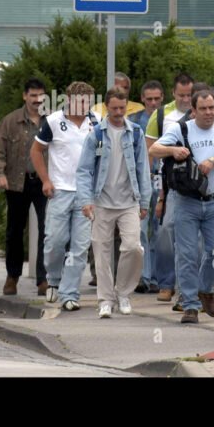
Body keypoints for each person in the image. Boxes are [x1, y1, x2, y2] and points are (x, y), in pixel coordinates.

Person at [149, 90, 214, 324]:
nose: (208, 113)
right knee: (187, 254)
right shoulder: (181, 129)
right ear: (193, 111)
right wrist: (173, 150)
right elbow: (153, 150)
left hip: (213, 202)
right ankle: (190, 305)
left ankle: (205, 290)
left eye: (212, 108)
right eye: (203, 109)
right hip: (186, 201)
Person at [76, 88, 151, 318]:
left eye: (122, 108)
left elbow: (142, 169)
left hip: (129, 201)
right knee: (101, 250)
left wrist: (144, 201)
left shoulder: (136, 133)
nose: (119, 113)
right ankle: (105, 300)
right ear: (107, 107)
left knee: (133, 247)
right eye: (114, 108)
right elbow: (84, 170)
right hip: (101, 201)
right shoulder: (96, 135)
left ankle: (123, 293)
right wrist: (86, 200)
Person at [31, 81, 98, 311]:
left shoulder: (96, 121)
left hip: (85, 193)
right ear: (68, 100)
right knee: (55, 241)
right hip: (60, 190)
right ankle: (54, 279)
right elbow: (36, 150)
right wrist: (46, 180)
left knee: (80, 246)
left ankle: (70, 293)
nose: (83, 106)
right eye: (79, 101)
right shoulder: (53, 121)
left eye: (87, 101)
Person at [0, 79, 49, 295]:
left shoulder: (51, 120)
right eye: (32, 95)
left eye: (40, 95)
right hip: (16, 182)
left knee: (48, 230)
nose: (37, 100)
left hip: (44, 182)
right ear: (25, 96)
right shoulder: (10, 121)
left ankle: (44, 279)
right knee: (14, 231)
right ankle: (12, 276)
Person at [145, 73, 194, 303]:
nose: (186, 99)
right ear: (173, 94)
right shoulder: (163, 115)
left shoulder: (203, 115)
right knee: (164, 230)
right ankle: (165, 283)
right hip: (167, 180)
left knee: (192, 237)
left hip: (196, 184)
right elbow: (150, 150)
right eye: (181, 95)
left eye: (189, 95)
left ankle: (191, 288)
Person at [130, 80, 164, 293]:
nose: (153, 102)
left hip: (163, 181)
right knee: (141, 230)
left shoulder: (167, 119)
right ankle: (143, 275)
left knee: (160, 230)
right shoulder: (133, 122)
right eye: (149, 99)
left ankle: (158, 278)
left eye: (157, 99)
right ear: (142, 99)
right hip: (141, 181)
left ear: (162, 98)